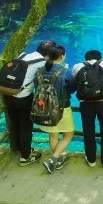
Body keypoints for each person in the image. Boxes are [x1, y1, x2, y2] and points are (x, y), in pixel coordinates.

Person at [2, 39, 55, 166]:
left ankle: (20, 149)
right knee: (26, 126)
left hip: (8, 94)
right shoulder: (42, 63)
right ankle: (25, 157)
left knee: (15, 124)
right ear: (49, 54)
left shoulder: (23, 55)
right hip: (23, 97)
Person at [72, 50, 103, 170]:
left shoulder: (77, 66)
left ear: (85, 59)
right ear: (100, 58)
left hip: (85, 103)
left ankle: (91, 159)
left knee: (88, 130)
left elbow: (75, 79)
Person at [40, 44, 77, 174]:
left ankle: (58, 160)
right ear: (62, 56)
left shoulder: (40, 70)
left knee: (53, 134)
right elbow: (72, 88)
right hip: (62, 108)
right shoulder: (65, 72)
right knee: (69, 134)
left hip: (44, 107)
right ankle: (54, 159)